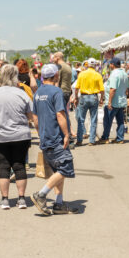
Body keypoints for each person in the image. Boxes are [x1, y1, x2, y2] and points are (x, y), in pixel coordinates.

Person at [0, 64, 34, 210]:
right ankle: (22, 199)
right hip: (20, 135)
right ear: (15, 77)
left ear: (0, 77)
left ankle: (4, 200)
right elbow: (30, 115)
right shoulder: (21, 93)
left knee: (3, 167)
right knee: (19, 165)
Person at [31, 64, 78, 215]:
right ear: (56, 75)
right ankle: (41, 194)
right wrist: (66, 134)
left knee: (58, 170)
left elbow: (35, 118)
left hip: (45, 137)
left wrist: (40, 133)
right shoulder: (56, 92)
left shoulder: (38, 93)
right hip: (56, 136)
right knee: (66, 167)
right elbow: (60, 114)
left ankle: (58, 203)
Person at [72, 58, 104, 146]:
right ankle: (92, 140)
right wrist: (101, 99)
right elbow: (102, 89)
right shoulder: (98, 75)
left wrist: (76, 98)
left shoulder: (82, 74)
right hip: (94, 97)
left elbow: (76, 88)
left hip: (83, 96)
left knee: (81, 119)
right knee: (93, 119)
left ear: (87, 64)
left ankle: (79, 140)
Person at [99, 57, 128, 144]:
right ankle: (120, 138)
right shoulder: (124, 73)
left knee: (108, 120)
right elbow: (126, 88)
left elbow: (113, 89)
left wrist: (109, 102)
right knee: (120, 121)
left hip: (114, 101)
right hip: (121, 100)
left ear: (112, 65)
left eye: (110, 64)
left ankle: (105, 137)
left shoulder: (114, 74)